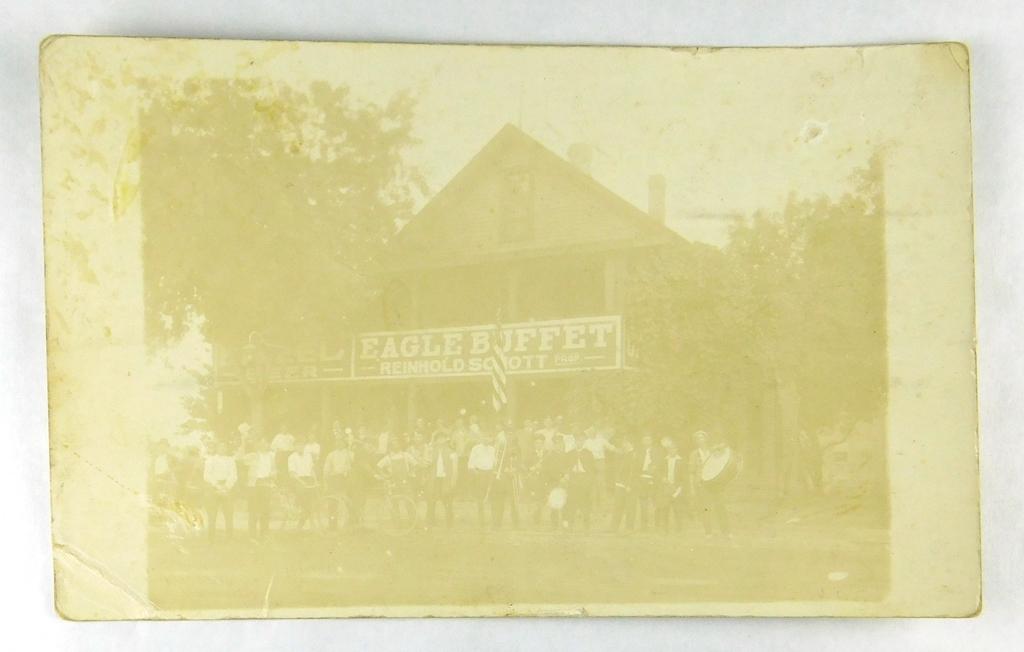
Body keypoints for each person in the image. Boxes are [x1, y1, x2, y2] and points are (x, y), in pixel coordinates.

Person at [689, 430, 734, 539]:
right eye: (698, 438)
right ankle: (708, 532)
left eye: (702, 437)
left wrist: (720, 447)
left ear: (706, 439)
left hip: (715, 482)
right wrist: (692, 487)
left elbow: (724, 450)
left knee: (720, 506)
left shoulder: (713, 451)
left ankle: (726, 531)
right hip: (702, 484)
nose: (701, 440)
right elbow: (691, 472)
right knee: (705, 508)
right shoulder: (694, 454)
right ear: (696, 441)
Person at [203, 440, 238, 541]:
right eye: (220, 446)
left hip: (227, 488)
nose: (222, 449)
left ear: (227, 448)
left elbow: (234, 475)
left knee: (228, 513)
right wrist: (218, 486)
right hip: (214, 487)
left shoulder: (231, 460)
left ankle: (229, 538)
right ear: (217, 448)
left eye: (224, 447)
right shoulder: (210, 460)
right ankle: (211, 538)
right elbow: (206, 475)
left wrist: (227, 486)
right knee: (212, 514)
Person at [423, 430, 459, 528]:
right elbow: (425, 463)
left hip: (446, 480)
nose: (440, 441)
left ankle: (449, 522)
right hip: (434, 480)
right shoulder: (431, 451)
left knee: (447, 501)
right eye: (438, 439)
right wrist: (427, 455)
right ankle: (430, 521)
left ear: (446, 440)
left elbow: (455, 470)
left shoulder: (452, 453)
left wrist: (453, 482)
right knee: (431, 501)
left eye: (443, 439)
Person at [243, 435, 274, 540]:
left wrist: (272, 475)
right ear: (258, 445)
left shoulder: (271, 456)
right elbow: (242, 459)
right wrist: (243, 440)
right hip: (254, 485)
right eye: (261, 442)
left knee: (266, 511)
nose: (264, 444)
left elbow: (274, 470)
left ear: (268, 444)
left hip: (266, 484)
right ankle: (252, 535)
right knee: (253, 511)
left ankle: (264, 533)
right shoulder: (253, 455)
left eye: (266, 442)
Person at [563, 434, 596, 530]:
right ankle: (570, 524)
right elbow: (565, 466)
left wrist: (589, 480)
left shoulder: (588, 453)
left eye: (581, 440)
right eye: (577, 440)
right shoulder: (570, 453)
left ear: (584, 442)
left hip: (584, 479)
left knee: (585, 502)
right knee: (571, 502)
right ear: (575, 442)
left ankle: (586, 525)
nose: (579, 442)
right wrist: (566, 475)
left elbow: (592, 469)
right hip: (573, 478)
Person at [466, 429, 498, 527]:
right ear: (481, 438)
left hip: (490, 474)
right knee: (480, 498)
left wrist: (494, 471)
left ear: (491, 439)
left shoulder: (493, 449)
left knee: (492, 497)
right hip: (479, 474)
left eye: (488, 437)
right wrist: (475, 472)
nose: (486, 439)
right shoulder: (476, 448)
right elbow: (471, 463)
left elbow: (495, 462)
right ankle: (481, 521)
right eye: (484, 437)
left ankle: (494, 520)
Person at [321, 434, 353, 530]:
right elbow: (326, 468)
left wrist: (346, 471)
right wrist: (326, 478)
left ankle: (349, 524)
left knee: (346, 501)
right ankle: (332, 525)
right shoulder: (331, 454)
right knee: (332, 502)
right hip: (334, 479)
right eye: (337, 442)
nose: (339, 444)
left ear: (344, 443)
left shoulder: (348, 454)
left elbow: (350, 466)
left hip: (344, 479)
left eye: (341, 442)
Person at [655, 436, 687, 532]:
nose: (672, 451)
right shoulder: (664, 460)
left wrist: (680, 488)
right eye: (670, 449)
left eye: (674, 449)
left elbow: (684, 477)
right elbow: (658, 472)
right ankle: (665, 529)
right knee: (665, 509)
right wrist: (662, 478)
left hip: (676, 488)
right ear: (667, 450)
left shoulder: (681, 461)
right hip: (665, 488)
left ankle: (679, 529)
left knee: (677, 509)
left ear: (677, 450)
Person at [489, 436, 521, 529]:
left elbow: (518, 463)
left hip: (512, 480)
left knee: (514, 502)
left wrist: (513, 470)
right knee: (499, 502)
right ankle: (497, 523)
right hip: (501, 481)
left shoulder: (515, 451)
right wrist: (504, 470)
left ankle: (516, 523)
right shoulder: (496, 453)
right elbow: (495, 466)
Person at [287, 440, 319, 530]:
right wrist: (302, 482)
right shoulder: (291, 457)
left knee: (312, 500)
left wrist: (315, 480)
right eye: (298, 446)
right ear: (294, 447)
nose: (300, 448)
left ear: (304, 446)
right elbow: (292, 474)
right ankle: (300, 511)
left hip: (308, 479)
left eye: (302, 446)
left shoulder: (308, 456)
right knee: (304, 499)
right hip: (297, 480)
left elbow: (312, 470)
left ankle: (304, 517)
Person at [608, 438, 638, 533]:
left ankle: (629, 528)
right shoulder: (624, 454)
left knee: (630, 507)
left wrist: (629, 484)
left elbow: (633, 471)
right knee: (618, 506)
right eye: (623, 443)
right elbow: (620, 468)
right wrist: (617, 481)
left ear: (630, 443)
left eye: (625, 443)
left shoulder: (634, 454)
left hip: (629, 485)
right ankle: (614, 527)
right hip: (620, 483)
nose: (624, 445)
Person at [635, 433, 660, 530]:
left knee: (654, 501)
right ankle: (644, 525)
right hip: (642, 478)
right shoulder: (639, 452)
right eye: (645, 440)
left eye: (648, 440)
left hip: (653, 478)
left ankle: (657, 524)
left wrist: (653, 470)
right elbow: (636, 465)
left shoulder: (656, 452)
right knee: (643, 502)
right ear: (642, 442)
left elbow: (658, 463)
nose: (646, 442)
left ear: (652, 441)